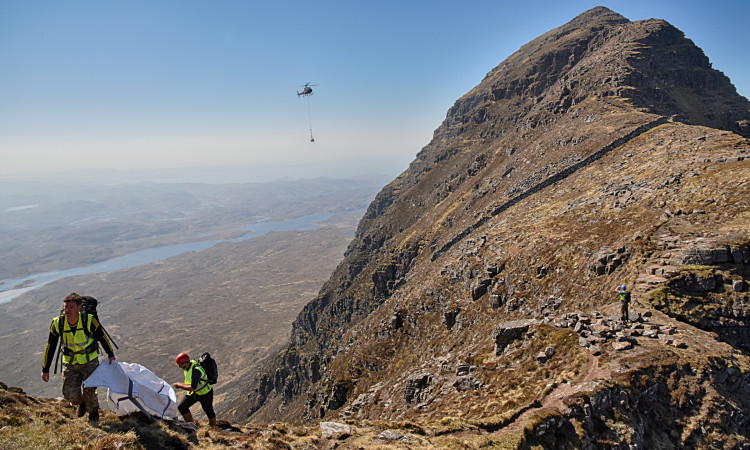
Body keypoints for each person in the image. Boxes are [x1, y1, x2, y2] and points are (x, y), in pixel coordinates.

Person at [41, 293, 116, 425]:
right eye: (65, 307)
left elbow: (101, 337)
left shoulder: (89, 320)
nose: (67, 310)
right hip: (70, 362)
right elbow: (50, 346)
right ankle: (81, 403)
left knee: (90, 390)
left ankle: (93, 415)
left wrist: (110, 354)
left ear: (79, 308)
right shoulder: (58, 323)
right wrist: (45, 368)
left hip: (89, 361)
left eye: (71, 307)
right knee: (69, 394)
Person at [173, 352, 217, 427]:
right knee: (182, 407)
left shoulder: (196, 370)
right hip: (196, 393)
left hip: (205, 393)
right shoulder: (188, 367)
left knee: (209, 411)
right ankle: (191, 425)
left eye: (180, 364)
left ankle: (213, 427)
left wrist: (180, 386)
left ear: (184, 363)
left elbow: (192, 388)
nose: (179, 367)